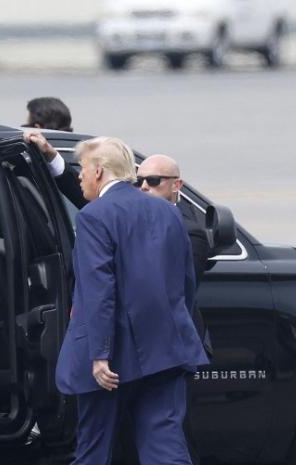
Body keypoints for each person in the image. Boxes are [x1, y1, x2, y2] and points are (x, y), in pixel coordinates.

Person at [55, 137, 208, 465]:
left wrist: (100, 354)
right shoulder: (168, 212)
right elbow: (184, 284)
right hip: (166, 349)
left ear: (98, 171)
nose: (79, 177)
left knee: (95, 449)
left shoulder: (94, 216)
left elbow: (98, 290)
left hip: (111, 359)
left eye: (81, 170)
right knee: (165, 446)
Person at [135, 154, 215, 465]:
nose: (144, 187)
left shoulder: (189, 230)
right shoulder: (131, 218)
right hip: (141, 346)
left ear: (175, 186)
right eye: (138, 181)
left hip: (171, 346)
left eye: (153, 181)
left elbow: (178, 290)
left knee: (173, 430)